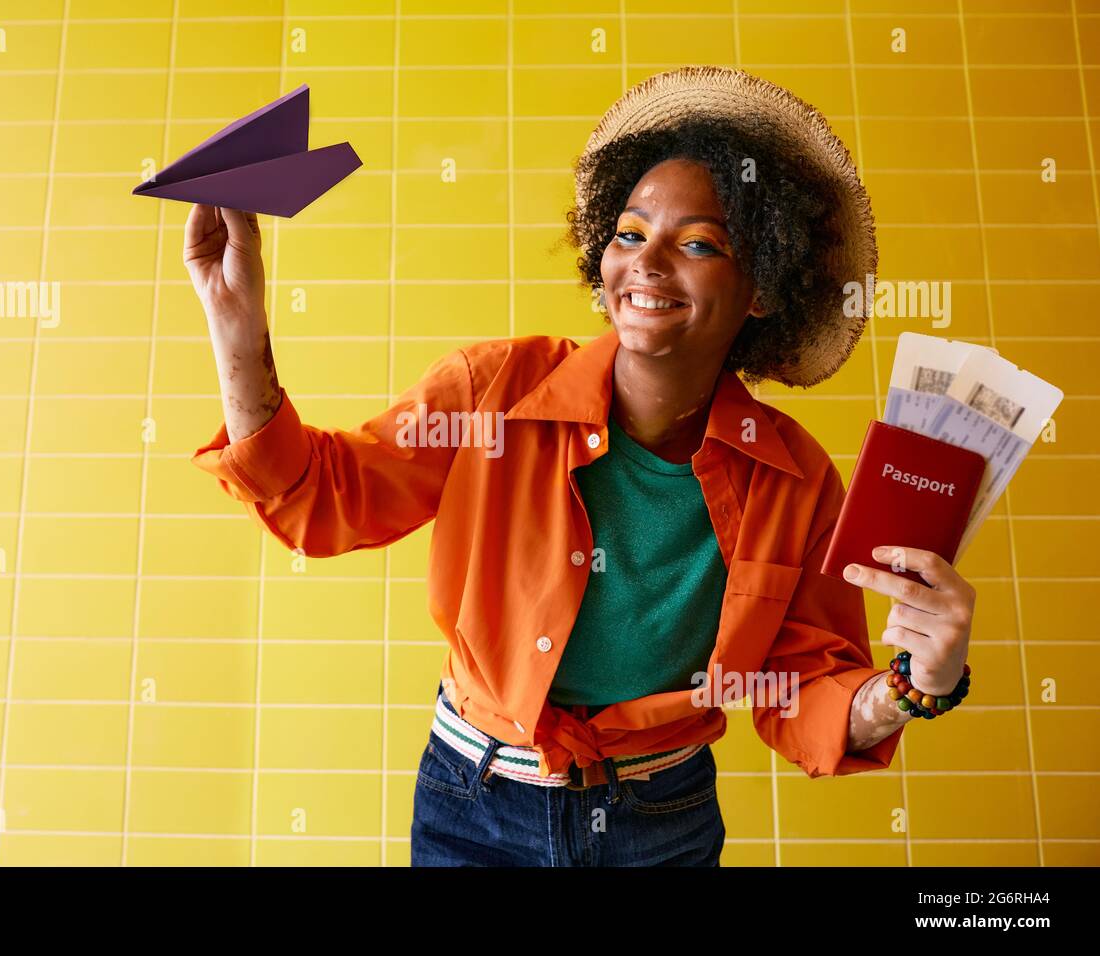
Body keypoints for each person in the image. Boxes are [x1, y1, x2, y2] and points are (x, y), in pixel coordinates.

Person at [187, 66, 977, 867]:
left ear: (761, 289)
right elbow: (321, 499)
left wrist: (912, 685)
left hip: (661, 819)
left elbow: (804, 685)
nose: (647, 263)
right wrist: (236, 326)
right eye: (630, 233)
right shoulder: (490, 390)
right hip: (473, 804)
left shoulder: (797, 478)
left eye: (699, 242)